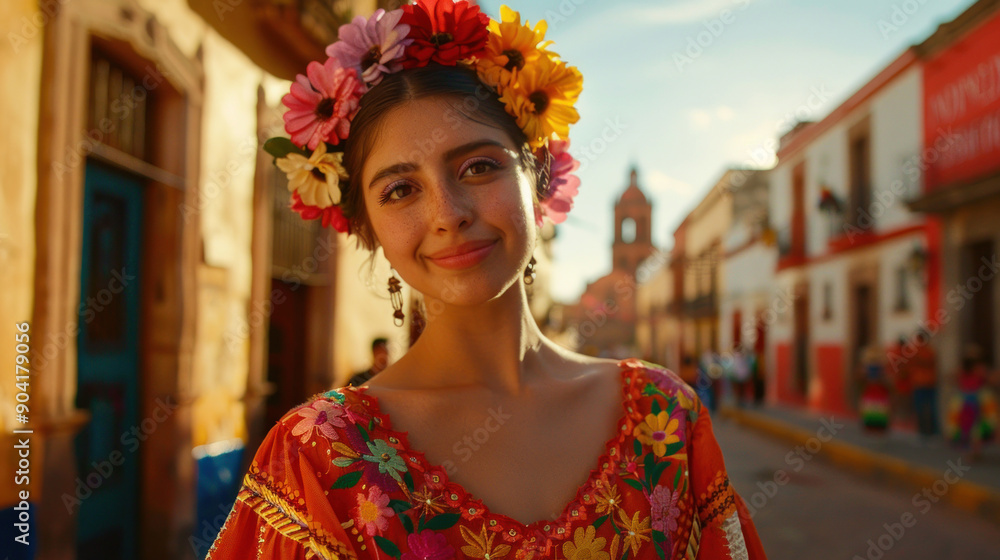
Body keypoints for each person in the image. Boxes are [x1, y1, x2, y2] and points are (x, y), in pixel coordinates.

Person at [208, 2, 767, 558]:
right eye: (400, 190)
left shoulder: (663, 418)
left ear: (538, 177)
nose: (448, 213)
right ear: (367, 228)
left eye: (478, 167)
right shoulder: (317, 456)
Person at [946, 344, 997, 460]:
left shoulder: (976, 369)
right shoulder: (972, 369)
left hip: (972, 401)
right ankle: (973, 452)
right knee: (969, 427)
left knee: (974, 427)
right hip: (970, 401)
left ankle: (974, 452)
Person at [858, 345, 891, 434]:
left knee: (872, 406)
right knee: (878, 406)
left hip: (872, 389)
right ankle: (878, 425)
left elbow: (862, 377)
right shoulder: (881, 367)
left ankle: (871, 425)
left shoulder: (867, 367)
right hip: (877, 389)